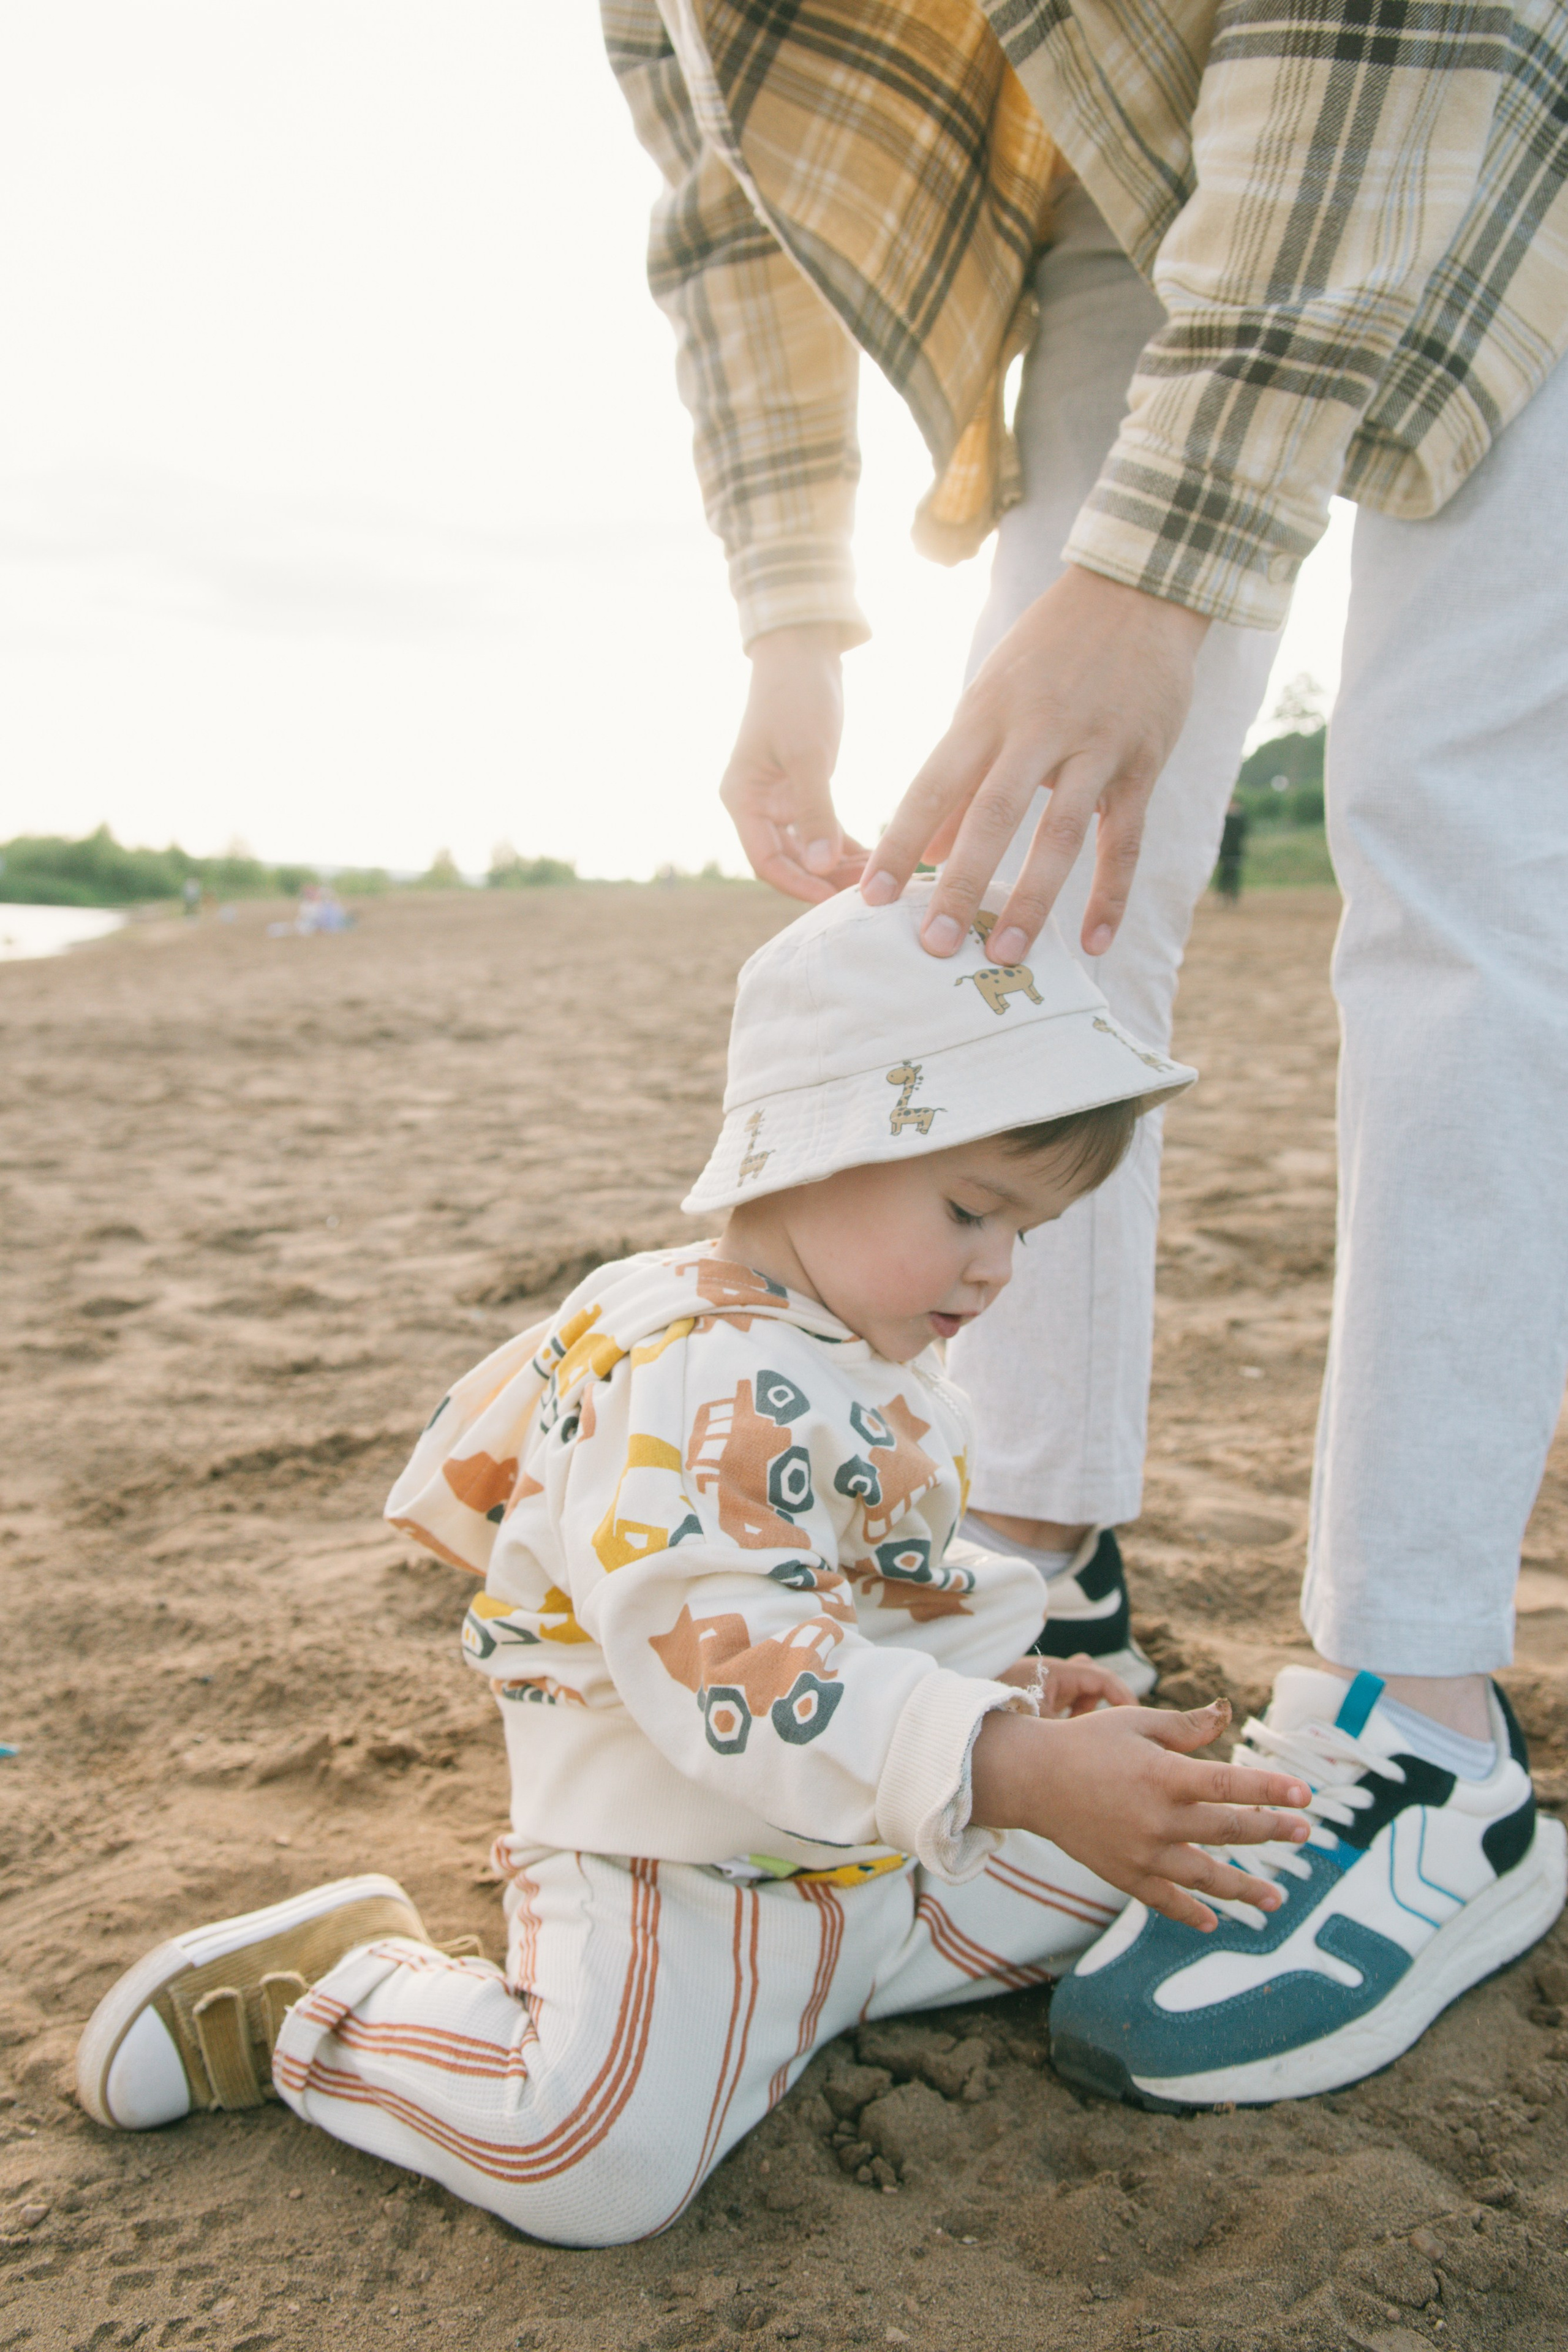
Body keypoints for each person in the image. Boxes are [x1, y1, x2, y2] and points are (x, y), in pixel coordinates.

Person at [603, 0, 1568, 2095]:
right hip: (1129, 172)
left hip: (1477, 68)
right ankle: (1041, 1562)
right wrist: (793, 621)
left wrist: (1169, 565)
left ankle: (1428, 1720)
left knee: (1458, 822)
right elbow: (724, 189)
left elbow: (1398, 28)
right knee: (1032, 860)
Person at [77, 884, 1330, 2240]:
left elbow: (847, 1592)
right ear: (806, 1143)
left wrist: (1013, 1700)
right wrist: (1006, 1765)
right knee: (587, 2164)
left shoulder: (848, 1332)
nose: (998, 1274)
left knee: (1169, 1859)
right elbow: (728, 1646)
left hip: (880, 1864)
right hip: (684, 1873)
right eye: (972, 1209)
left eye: (1026, 1231)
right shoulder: (695, 1370)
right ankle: (326, 2000)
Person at [1214, 799, 1247, 903]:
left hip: (1236, 851)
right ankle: (1223, 895)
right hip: (1225, 852)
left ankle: (1234, 895)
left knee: (1234, 875)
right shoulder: (1224, 819)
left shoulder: (1240, 819)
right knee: (1224, 874)